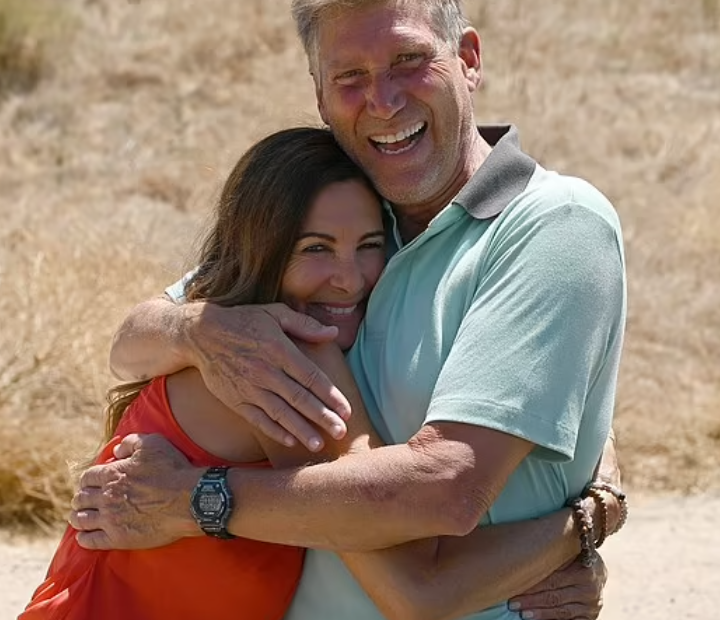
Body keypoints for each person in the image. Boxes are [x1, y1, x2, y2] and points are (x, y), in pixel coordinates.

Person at [70, 1, 629, 619]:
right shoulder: (348, 215)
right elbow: (129, 346)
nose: (383, 100)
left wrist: (194, 502)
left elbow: (447, 489)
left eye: (409, 61)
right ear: (319, 96)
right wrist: (198, 329)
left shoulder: (553, 224)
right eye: (350, 77)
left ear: (468, 59)